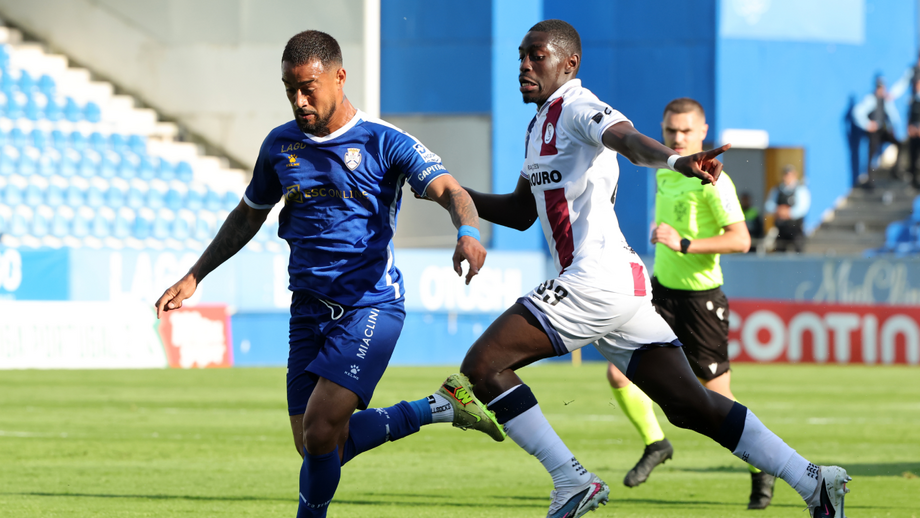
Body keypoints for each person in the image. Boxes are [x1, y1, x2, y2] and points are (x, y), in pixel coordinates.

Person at [426, 20, 850, 518]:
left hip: (596, 279)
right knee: (690, 406)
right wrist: (446, 191)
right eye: (521, 55)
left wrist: (675, 160)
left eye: (536, 55)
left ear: (569, 63)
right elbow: (521, 212)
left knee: (483, 366)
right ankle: (815, 481)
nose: (524, 64)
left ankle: (572, 481)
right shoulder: (538, 124)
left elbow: (627, 140)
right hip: (618, 285)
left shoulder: (578, 105)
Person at [154, 30, 505, 518]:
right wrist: (196, 275)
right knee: (316, 445)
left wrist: (468, 230)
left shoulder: (384, 141)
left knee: (321, 430)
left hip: (370, 306)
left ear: (340, 76)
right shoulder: (280, 145)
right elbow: (247, 215)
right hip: (308, 310)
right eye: (289, 90)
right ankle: (440, 406)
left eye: (308, 87)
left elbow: (449, 188)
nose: (299, 100)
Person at [605, 97, 777, 509]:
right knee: (618, 373)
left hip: (702, 304)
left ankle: (764, 464)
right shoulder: (665, 172)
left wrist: (684, 243)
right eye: (671, 131)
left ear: (703, 132)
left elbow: (741, 239)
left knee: (717, 400)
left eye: (686, 131)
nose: (678, 138)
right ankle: (656, 444)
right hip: (661, 293)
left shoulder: (715, 181)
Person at [852, 72, 911, 187]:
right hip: (874, 132)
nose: (881, 90)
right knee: (871, 154)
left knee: (899, 144)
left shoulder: (886, 100)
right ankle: (869, 180)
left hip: (883, 130)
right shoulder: (870, 99)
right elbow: (857, 113)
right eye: (879, 87)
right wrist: (868, 124)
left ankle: (895, 171)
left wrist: (893, 127)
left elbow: (893, 116)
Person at [765, 164, 811, 253]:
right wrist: (778, 210)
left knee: (799, 253)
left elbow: (802, 208)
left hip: (795, 229)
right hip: (781, 229)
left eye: (790, 175)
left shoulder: (801, 189)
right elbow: (768, 205)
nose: (787, 177)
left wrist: (788, 212)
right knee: (780, 254)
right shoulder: (777, 190)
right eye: (786, 175)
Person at [908, 74, 920, 188]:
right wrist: (910, 127)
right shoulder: (912, 100)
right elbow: (909, 116)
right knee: (913, 157)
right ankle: (913, 181)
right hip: (913, 132)